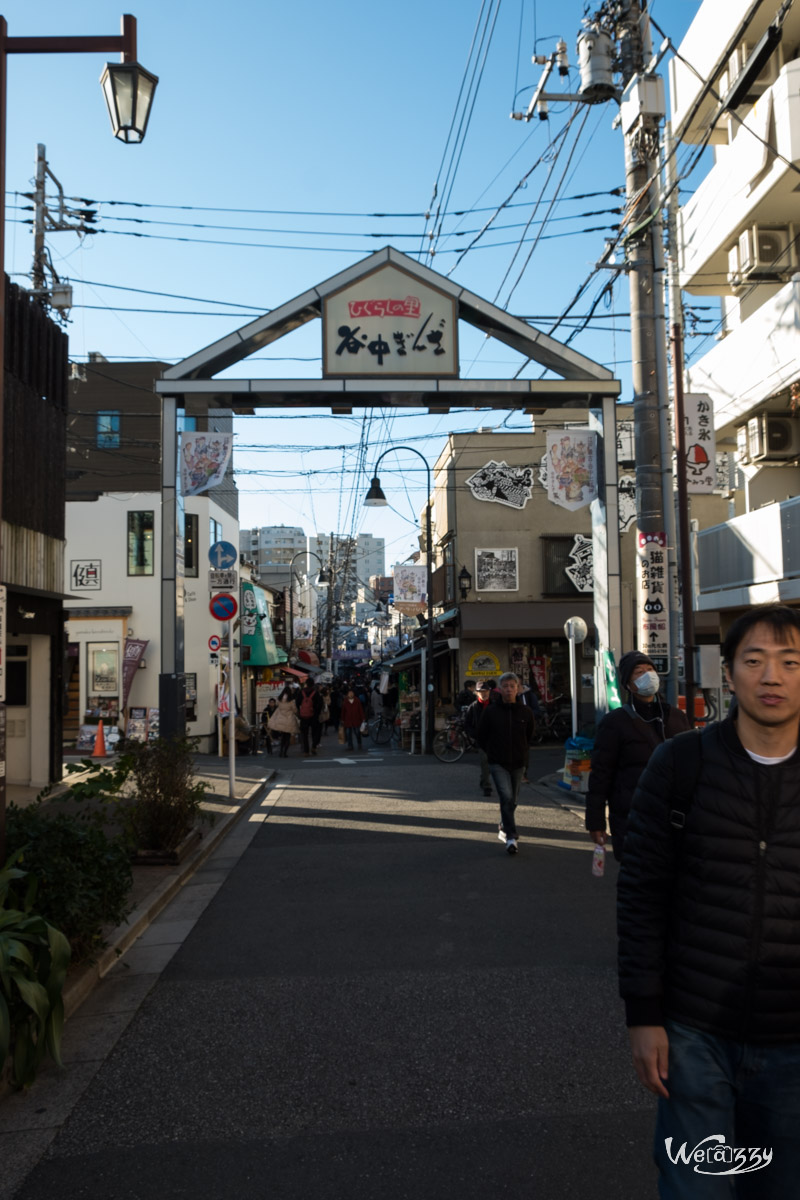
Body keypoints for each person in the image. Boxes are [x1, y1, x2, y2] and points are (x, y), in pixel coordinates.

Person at [617, 604, 800, 1198]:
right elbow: (642, 891)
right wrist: (643, 1014)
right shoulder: (682, 763)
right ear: (728, 674)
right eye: (755, 661)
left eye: (790, 662)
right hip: (694, 1028)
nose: (772, 676)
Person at [585, 650, 689, 861]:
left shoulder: (677, 717)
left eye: (650, 669)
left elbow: (693, 764)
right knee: (638, 883)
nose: (647, 675)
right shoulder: (614, 722)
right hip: (632, 818)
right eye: (638, 672)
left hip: (677, 818)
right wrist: (596, 821)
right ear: (628, 685)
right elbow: (601, 774)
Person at [476, 672, 534, 855]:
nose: (509, 689)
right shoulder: (491, 711)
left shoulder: (526, 712)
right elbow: (481, 735)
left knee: (513, 800)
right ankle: (511, 836)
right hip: (497, 762)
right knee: (506, 797)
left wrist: (524, 755)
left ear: (517, 689)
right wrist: (491, 752)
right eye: (505, 686)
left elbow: (529, 736)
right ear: (500, 690)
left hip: (518, 761)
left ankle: (503, 823)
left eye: (512, 686)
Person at [464, 680, 494, 797]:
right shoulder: (473, 707)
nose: (484, 693)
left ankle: (484, 780)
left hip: (495, 739)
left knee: (495, 763)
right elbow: (467, 724)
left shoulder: (494, 705)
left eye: (486, 691)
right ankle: (487, 786)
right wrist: (475, 734)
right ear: (476, 693)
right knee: (484, 762)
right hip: (481, 740)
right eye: (481, 691)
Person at [268, 686, 299, 758]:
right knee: (287, 737)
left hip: (281, 719)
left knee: (283, 737)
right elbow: (295, 710)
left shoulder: (279, 699)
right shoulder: (291, 700)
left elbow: (277, 706)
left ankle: (281, 751)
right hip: (289, 720)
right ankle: (285, 753)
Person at [295, 679, 323, 757]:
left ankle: (306, 751)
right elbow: (320, 704)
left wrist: (300, 712)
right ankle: (313, 746)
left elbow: (297, 703)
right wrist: (316, 712)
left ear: (306, 684)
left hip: (303, 716)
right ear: (313, 684)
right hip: (314, 716)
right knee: (315, 732)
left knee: (304, 734)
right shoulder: (316, 693)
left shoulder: (301, 692)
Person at [341, 687, 366, 751]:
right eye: (349, 693)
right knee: (348, 733)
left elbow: (360, 710)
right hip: (348, 720)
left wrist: (363, 718)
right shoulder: (345, 701)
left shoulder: (357, 700)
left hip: (356, 719)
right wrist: (342, 719)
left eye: (352, 693)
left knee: (357, 732)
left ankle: (359, 743)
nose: (351, 694)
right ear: (347, 694)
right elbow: (343, 711)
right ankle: (350, 746)